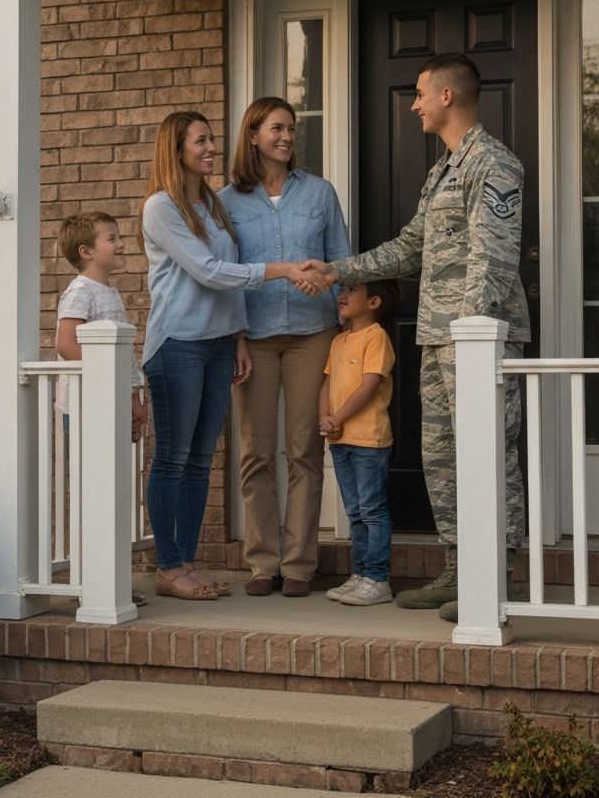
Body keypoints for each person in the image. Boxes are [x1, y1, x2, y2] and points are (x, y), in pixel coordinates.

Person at [300, 53, 529, 622]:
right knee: (443, 457)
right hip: (435, 336)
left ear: (447, 96)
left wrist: (474, 337)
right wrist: (339, 271)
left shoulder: (493, 165)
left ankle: (492, 576)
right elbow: (409, 248)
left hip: (474, 340)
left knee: (487, 452)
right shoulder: (441, 171)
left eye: (421, 93)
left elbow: (493, 262)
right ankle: (458, 570)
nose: (414, 104)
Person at [138, 111, 308, 601]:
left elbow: (226, 272)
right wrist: (279, 270)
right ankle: (169, 566)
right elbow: (209, 271)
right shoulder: (161, 207)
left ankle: (185, 562)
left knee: (199, 462)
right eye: (201, 140)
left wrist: (237, 336)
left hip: (216, 345)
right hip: (178, 345)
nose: (212, 147)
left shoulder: (210, 202)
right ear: (177, 150)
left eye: (213, 139)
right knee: (172, 457)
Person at [219, 97, 352, 598]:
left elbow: (340, 259)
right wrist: (235, 339)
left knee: (304, 450)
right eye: (277, 128)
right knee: (255, 452)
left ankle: (298, 564)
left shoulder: (319, 193)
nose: (287, 136)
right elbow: (227, 276)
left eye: (292, 129)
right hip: (252, 337)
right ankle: (262, 562)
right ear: (252, 135)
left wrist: (335, 302)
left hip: (311, 334)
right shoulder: (227, 202)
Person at [320, 279, 401, 607]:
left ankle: (378, 579)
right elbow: (326, 383)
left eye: (353, 290)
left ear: (374, 303)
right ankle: (360, 573)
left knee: (372, 509)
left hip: (369, 439)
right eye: (343, 289)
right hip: (340, 440)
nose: (343, 295)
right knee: (354, 511)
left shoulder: (376, 337)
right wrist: (324, 417)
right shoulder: (339, 341)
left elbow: (369, 386)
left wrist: (338, 418)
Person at [55, 210, 146, 441]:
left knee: (113, 472)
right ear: (86, 252)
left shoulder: (109, 293)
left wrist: (133, 397)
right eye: (112, 239)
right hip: (86, 405)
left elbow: (125, 356)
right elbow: (66, 345)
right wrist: (108, 378)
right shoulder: (80, 291)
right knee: (94, 473)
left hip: (113, 400)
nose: (121, 244)